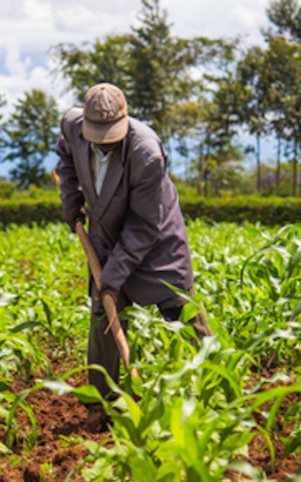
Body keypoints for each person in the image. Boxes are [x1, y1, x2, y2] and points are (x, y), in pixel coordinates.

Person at [55, 82, 211, 428]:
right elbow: (65, 158)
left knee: (178, 303)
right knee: (103, 314)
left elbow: (144, 225)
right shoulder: (72, 126)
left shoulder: (146, 152)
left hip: (155, 238)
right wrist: (71, 200)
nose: (105, 142)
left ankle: (214, 378)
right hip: (104, 234)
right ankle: (104, 401)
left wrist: (111, 277)